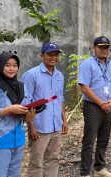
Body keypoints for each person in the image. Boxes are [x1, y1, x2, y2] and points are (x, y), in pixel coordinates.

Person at [0, 51, 35, 177]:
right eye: (7, 65)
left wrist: (29, 116)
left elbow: (23, 108)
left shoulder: (21, 86)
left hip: (18, 139)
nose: (12, 68)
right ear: (0, 66)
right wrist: (9, 110)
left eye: (15, 65)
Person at [21, 42, 68, 177]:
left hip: (56, 126)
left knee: (53, 159)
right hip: (40, 126)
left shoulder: (59, 76)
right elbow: (26, 103)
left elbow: (60, 99)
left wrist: (64, 121)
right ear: (42, 55)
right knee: (36, 162)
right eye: (50, 54)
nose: (53, 57)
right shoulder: (31, 75)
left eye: (56, 55)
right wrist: (31, 126)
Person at [78, 36, 111, 177]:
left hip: (109, 106)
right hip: (93, 106)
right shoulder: (87, 64)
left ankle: (99, 168)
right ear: (94, 47)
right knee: (89, 140)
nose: (104, 50)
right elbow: (84, 87)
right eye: (101, 47)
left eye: (106, 47)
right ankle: (85, 172)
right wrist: (100, 103)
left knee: (104, 138)